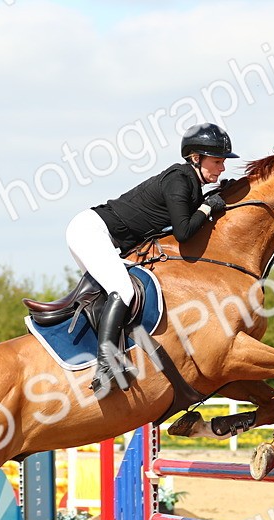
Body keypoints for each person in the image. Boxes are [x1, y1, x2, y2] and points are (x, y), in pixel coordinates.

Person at [67, 122, 238, 393]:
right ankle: (104, 366)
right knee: (122, 289)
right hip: (90, 231)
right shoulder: (178, 180)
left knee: (122, 296)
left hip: (103, 237)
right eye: (217, 161)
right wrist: (207, 207)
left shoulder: (191, 184)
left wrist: (213, 200)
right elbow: (183, 232)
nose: (222, 168)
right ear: (196, 158)